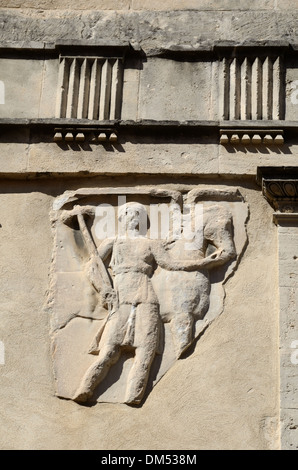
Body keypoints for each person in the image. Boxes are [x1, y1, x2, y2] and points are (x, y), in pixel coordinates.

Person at [72, 201, 224, 405]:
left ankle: (133, 396)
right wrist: (104, 290)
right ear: (122, 218)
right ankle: (85, 389)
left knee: (146, 351)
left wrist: (204, 263)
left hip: (146, 298)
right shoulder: (113, 241)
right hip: (121, 298)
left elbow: (171, 264)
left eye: (138, 214)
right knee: (109, 352)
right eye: (129, 213)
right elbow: (93, 267)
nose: (134, 217)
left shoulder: (150, 243)